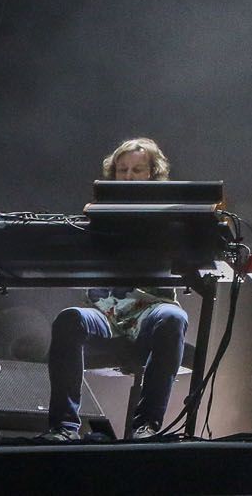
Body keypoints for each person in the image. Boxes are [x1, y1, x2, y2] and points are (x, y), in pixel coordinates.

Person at [40, 137, 189, 442]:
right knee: (69, 318)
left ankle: (145, 426)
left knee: (174, 318)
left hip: (151, 309)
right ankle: (64, 428)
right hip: (106, 313)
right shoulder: (98, 212)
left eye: (137, 170)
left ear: (153, 174)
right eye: (122, 170)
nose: (129, 177)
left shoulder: (169, 213)